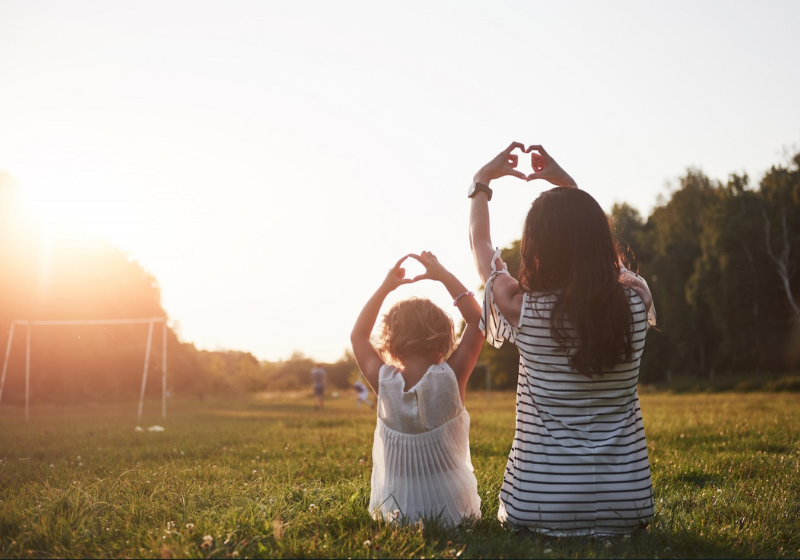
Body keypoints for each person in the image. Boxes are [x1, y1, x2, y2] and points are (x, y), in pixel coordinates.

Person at [467, 142, 657, 537]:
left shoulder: (524, 307)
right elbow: (610, 263)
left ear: (537, 247)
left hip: (539, 508)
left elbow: (480, 246)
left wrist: (481, 182)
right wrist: (568, 187)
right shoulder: (637, 299)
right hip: (627, 507)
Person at [350, 251, 484, 526]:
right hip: (455, 511)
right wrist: (443, 275)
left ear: (391, 346)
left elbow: (358, 337)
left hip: (397, 512)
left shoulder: (384, 382)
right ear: (444, 340)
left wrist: (385, 288)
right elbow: (476, 321)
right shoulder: (451, 377)